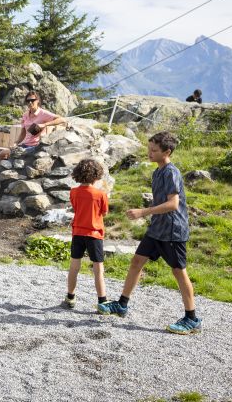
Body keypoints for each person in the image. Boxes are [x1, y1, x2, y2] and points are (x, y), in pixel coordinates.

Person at [99, 131, 201, 334]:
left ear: (167, 151)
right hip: (157, 228)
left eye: (154, 150)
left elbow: (173, 204)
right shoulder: (157, 172)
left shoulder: (171, 172)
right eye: (149, 149)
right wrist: (150, 215)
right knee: (137, 261)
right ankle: (122, 304)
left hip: (172, 231)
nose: (149, 153)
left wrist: (143, 212)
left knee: (178, 272)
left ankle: (192, 319)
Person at [63, 158, 109, 311]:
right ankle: (102, 301)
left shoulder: (73, 192)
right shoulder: (100, 194)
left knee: (74, 266)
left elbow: (76, 209)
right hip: (94, 234)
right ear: (97, 176)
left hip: (77, 232)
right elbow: (104, 212)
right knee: (98, 269)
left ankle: (70, 297)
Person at [0, 91, 66, 160]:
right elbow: (23, 132)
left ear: (37, 101)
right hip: (25, 145)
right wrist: (16, 143)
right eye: (28, 101)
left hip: (36, 146)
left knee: (16, 157)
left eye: (32, 100)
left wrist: (44, 124)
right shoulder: (25, 115)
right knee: (2, 154)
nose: (30, 102)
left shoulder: (43, 113)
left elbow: (62, 119)